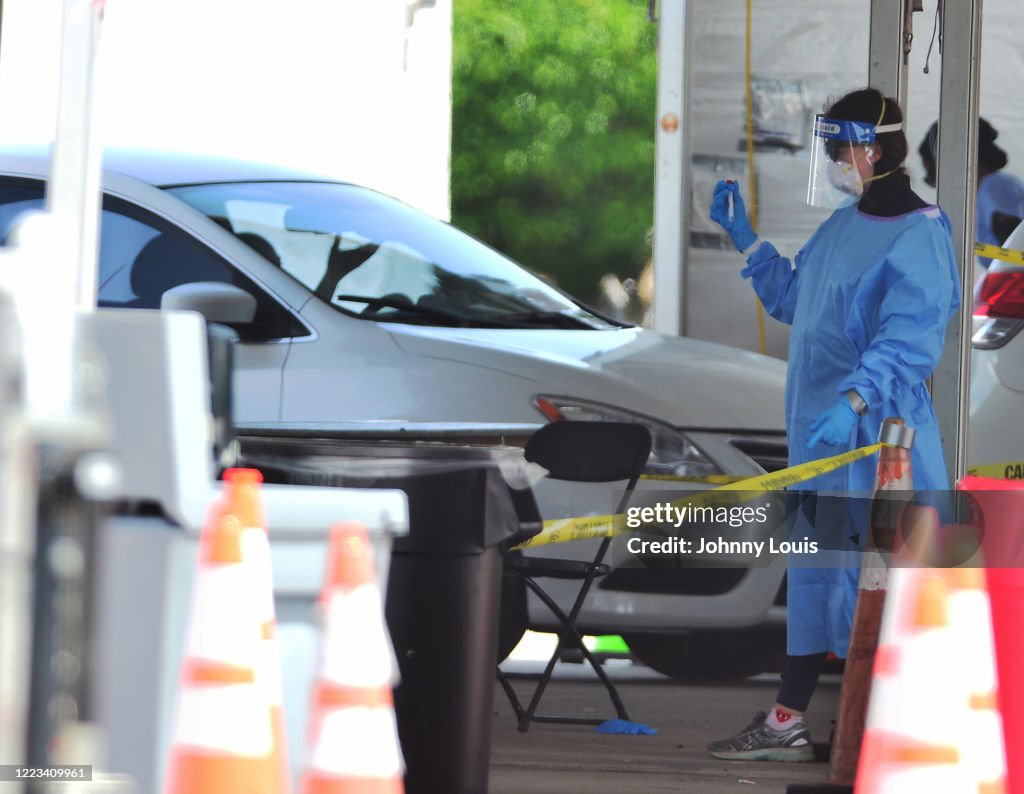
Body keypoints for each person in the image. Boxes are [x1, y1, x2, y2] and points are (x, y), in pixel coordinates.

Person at [705, 87, 960, 761]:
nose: (832, 161)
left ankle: (896, 737)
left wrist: (852, 402)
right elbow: (798, 300)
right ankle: (791, 720)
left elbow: (910, 339)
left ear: (871, 149)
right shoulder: (844, 226)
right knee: (819, 577)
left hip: (880, 442)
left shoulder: (921, 232)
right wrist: (747, 240)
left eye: (837, 149)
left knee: (882, 586)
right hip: (825, 438)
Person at [919, 117, 1024, 266]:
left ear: (956, 159)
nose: (939, 185)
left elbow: (1014, 253)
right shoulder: (992, 188)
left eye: (933, 175)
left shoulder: (994, 187)